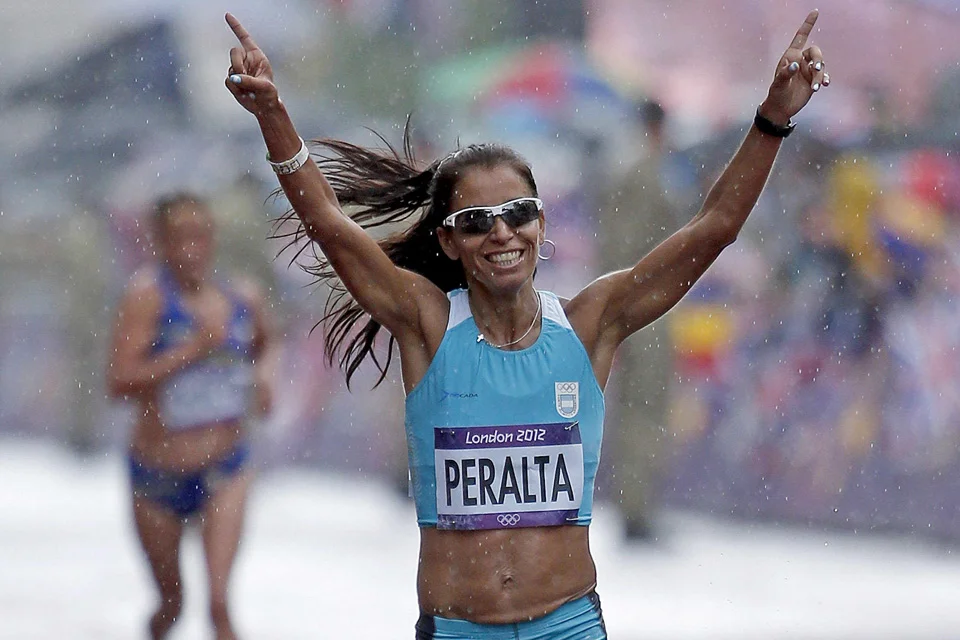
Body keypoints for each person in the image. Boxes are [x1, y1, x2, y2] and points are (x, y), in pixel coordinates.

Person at [223, 9, 829, 638]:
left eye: (518, 213)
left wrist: (772, 120)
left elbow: (715, 227)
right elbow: (329, 225)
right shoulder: (426, 324)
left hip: (566, 625)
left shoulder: (593, 322)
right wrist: (271, 114)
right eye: (479, 221)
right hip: (459, 626)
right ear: (450, 241)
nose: (502, 232)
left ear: (542, 225)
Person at [107, 193, 275, 640]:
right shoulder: (147, 299)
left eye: (199, 236)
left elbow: (266, 347)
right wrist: (192, 350)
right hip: (157, 474)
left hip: (225, 466)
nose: (190, 249)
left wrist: (263, 380)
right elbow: (118, 381)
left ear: (213, 238)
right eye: (178, 238)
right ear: (159, 243)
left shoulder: (243, 296)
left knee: (220, 606)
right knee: (172, 604)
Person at [597, 99, 687, 540]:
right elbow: (629, 247)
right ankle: (636, 508)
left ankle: (634, 503)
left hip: (634, 305)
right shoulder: (644, 173)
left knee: (636, 410)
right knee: (644, 410)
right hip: (647, 307)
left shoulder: (623, 168)